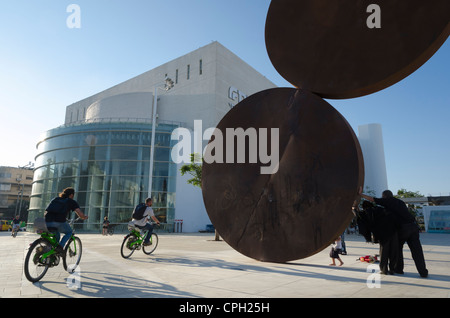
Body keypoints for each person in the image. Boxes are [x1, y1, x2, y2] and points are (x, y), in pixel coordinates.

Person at [359, 187, 428, 277]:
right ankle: (423, 272)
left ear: (385, 196)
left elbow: (373, 199)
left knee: (397, 249)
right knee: (417, 251)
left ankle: (398, 269)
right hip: (413, 227)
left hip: (403, 228)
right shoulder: (400, 202)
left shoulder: (388, 201)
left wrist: (361, 194)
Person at [45, 187, 88, 255]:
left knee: (57, 235)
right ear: (71, 195)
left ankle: (51, 254)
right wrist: (84, 217)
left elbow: (47, 210)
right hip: (59, 221)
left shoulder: (56, 199)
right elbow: (80, 214)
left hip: (47, 221)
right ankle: (60, 247)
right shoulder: (71, 201)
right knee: (69, 232)